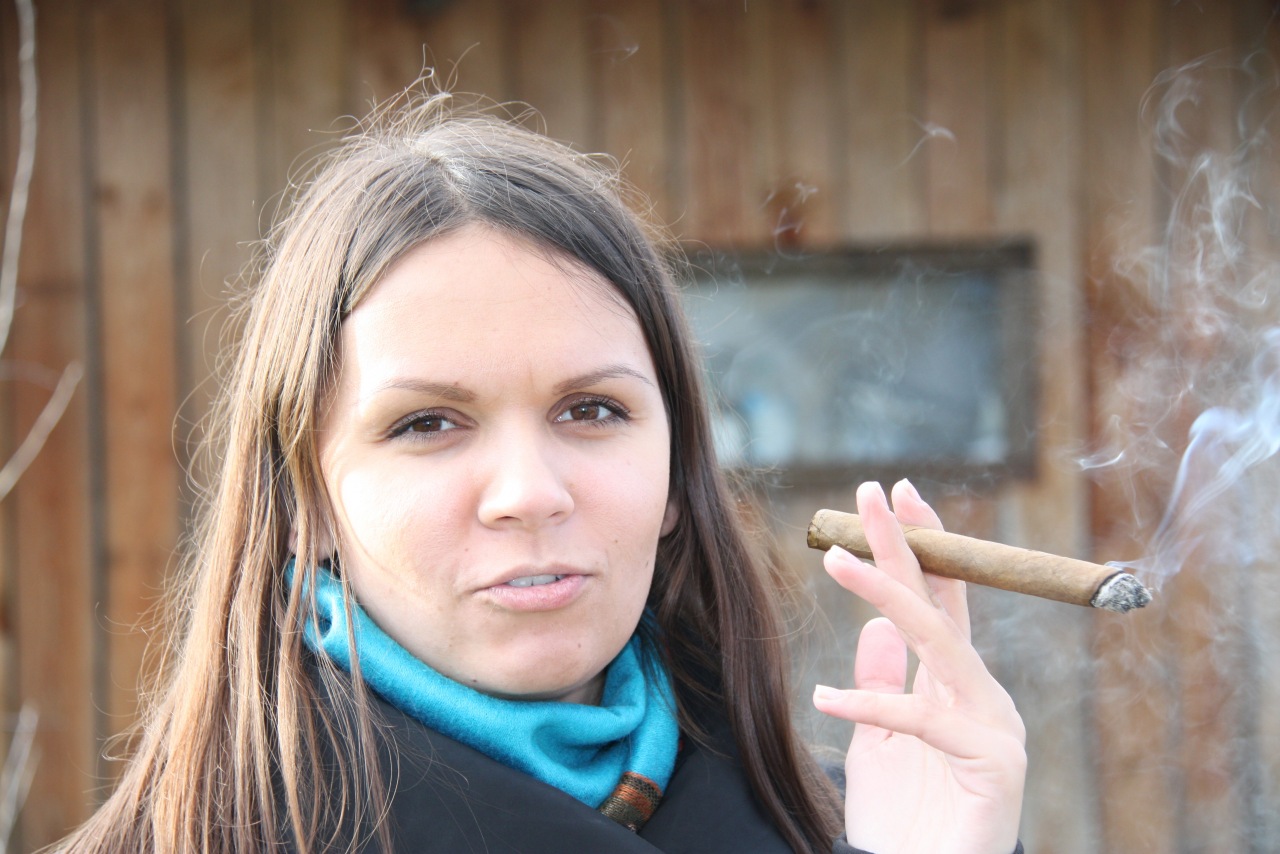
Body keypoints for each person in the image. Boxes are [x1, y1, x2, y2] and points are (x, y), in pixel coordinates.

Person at [56, 94, 1026, 853]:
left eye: (590, 410)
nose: (528, 491)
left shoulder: (852, 822)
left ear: (677, 474)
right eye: (427, 423)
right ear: (304, 497)